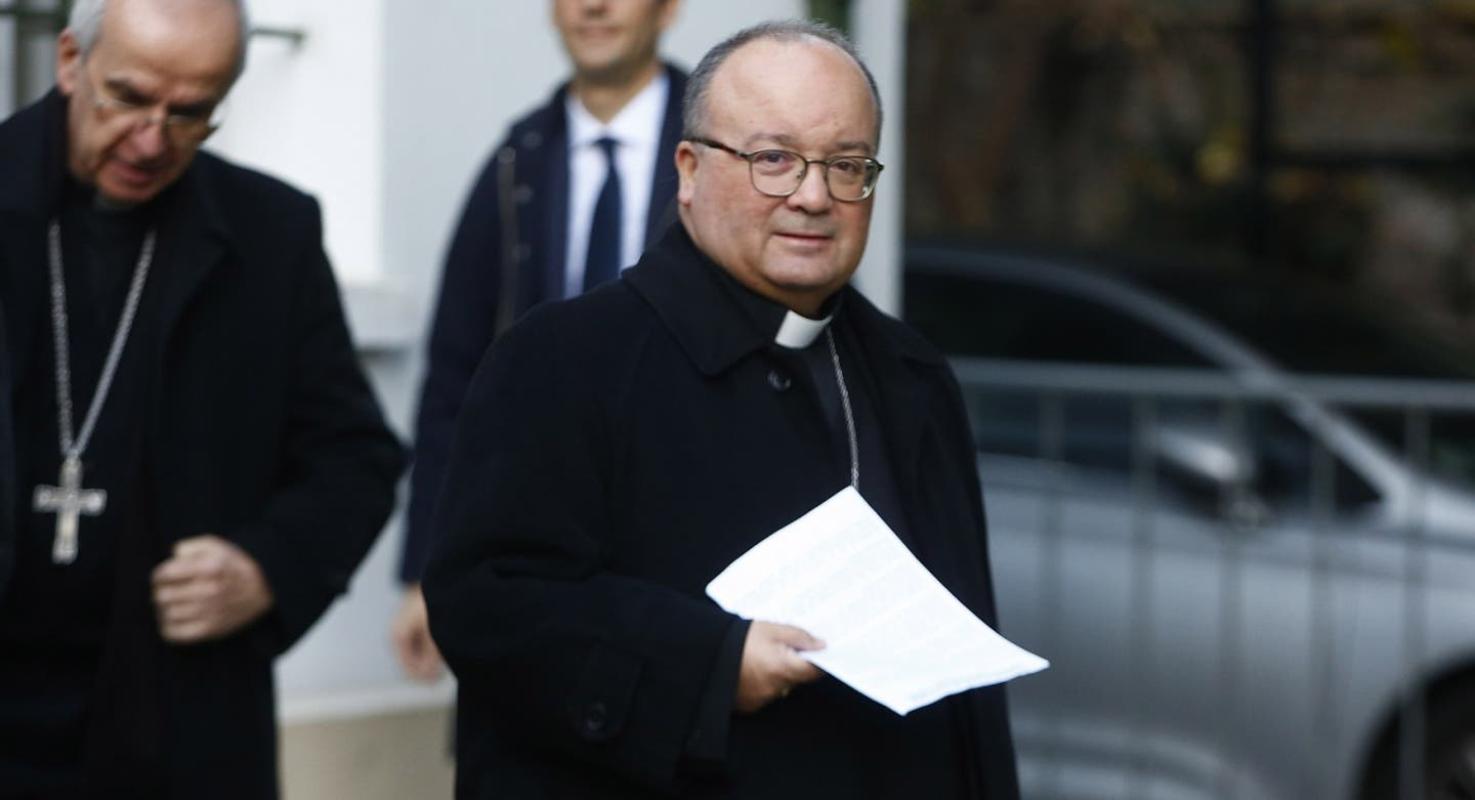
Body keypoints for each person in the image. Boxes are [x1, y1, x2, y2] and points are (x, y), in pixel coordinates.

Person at [423, 20, 1021, 799]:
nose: (812, 196)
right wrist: (708, 664)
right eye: (773, 159)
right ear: (689, 170)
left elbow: (967, 686)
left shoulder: (911, 377)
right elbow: (488, 607)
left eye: (845, 165)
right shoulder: (564, 359)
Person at [0, 0, 405, 797]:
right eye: (128, 98)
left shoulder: (272, 233)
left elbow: (356, 458)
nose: (151, 141)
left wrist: (267, 564)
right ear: (71, 61)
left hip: (172, 720)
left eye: (189, 113)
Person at [392, 0, 687, 682]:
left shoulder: (723, 152)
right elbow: (455, 377)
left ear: (669, 7)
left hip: (682, 546)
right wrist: (425, 569)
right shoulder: (514, 162)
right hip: (534, 555)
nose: (594, 6)